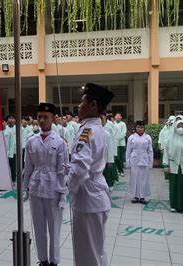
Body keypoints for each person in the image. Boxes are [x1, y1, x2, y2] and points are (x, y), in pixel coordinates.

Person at [65, 83, 114, 266]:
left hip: (87, 199)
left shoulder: (87, 131)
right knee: (97, 250)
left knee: (87, 254)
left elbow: (79, 168)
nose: (78, 106)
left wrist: (67, 187)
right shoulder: (98, 129)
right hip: (97, 194)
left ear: (93, 105)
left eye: (82, 102)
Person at [23, 103, 68, 266]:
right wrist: (25, 188)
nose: (41, 120)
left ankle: (54, 261)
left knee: (54, 229)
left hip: (53, 189)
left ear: (53, 119)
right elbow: (27, 167)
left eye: (45, 117)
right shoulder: (31, 141)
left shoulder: (60, 142)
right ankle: (42, 260)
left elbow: (63, 172)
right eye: (39, 117)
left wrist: (63, 195)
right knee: (39, 227)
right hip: (36, 187)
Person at [126, 121, 153, 204]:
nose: (140, 129)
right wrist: (128, 162)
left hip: (144, 159)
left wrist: (150, 162)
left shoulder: (147, 137)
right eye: (138, 127)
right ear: (135, 128)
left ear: (144, 128)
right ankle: (136, 196)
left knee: (144, 179)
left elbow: (150, 151)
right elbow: (128, 150)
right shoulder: (131, 137)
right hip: (134, 159)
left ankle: (142, 197)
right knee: (135, 178)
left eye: (141, 127)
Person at [101, 113, 117, 190]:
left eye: (103, 119)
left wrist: (110, 160)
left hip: (103, 160)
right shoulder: (86, 132)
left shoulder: (106, 133)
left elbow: (110, 147)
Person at [159, 116, 176, 180]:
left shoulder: (175, 130)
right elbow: (160, 139)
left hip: (174, 149)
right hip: (166, 148)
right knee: (166, 162)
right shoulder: (164, 130)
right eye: (170, 121)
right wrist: (161, 148)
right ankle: (167, 176)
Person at [114, 113, 127, 177]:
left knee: (121, 158)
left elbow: (124, 133)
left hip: (121, 143)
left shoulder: (123, 124)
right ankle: (117, 170)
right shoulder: (113, 123)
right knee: (116, 157)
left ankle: (121, 171)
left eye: (119, 116)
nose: (118, 117)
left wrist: (117, 139)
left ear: (121, 117)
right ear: (115, 117)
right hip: (114, 144)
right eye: (117, 116)